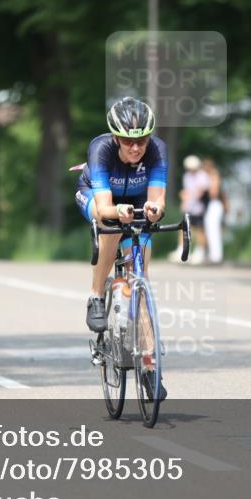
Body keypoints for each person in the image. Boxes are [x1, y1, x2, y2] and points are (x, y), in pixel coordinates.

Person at [75, 97, 167, 400]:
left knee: (140, 276)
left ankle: (150, 367)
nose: (136, 147)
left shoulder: (157, 150)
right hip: (96, 196)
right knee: (111, 227)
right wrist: (116, 211)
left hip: (137, 201)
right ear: (116, 137)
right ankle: (95, 296)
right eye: (129, 141)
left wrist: (154, 210)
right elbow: (103, 209)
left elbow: (158, 200)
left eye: (141, 140)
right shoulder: (100, 149)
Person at [171, 155, 208, 264]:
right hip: (188, 207)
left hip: (198, 207)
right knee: (183, 228)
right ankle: (181, 250)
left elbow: (201, 191)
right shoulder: (187, 176)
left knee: (200, 230)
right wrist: (184, 199)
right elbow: (186, 190)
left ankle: (200, 252)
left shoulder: (202, 176)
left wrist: (190, 197)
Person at [202, 158, 225, 264]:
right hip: (213, 205)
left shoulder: (213, 176)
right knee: (211, 230)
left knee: (213, 230)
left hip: (214, 204)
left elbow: (214, 192)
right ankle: (214, 254)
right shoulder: (212, 176)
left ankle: (215, 256)